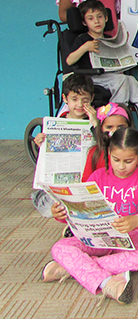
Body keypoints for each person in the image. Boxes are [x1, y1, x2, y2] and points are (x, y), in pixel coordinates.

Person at [42, 127, 138, 305]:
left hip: (132, 237)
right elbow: (78, 209)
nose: (121, 166)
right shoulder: (97, 177)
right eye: (116, 160)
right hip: (97, 236)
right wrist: (60, 214)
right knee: (59, 248)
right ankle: (108, 283)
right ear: (108, 153)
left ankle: (74, 268)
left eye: (128, 161)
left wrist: (137, 220)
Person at [67, 0, 138, 128]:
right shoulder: (83, 39)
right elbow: (69, 61)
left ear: (106, 18)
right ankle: (116, 112)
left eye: (99, 17)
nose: (96, 21)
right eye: (90, 18)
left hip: (111, 75)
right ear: (84, 22)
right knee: (121, 80)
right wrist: (84, 48)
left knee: (131, 79)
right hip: (91, 77)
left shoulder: (110, 39)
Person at [32, 74, 99, 218]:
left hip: (86, 180)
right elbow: (48, 156)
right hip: (62, 183)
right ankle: (59, 212)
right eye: (74, 99)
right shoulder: (57, 123)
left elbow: (105, 146)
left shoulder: (96, 121)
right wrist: (41, 143)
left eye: (85, 100)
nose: (80, 105)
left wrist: (96, 124)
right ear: (64, 99)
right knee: (47, 201)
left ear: (92, 98)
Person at [83, 103, 133, 182]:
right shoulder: (94, 152)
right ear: (102, 128)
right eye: (109, 127)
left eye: (121, 127)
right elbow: (86, 182)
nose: (115, 131)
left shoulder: (137, 150)